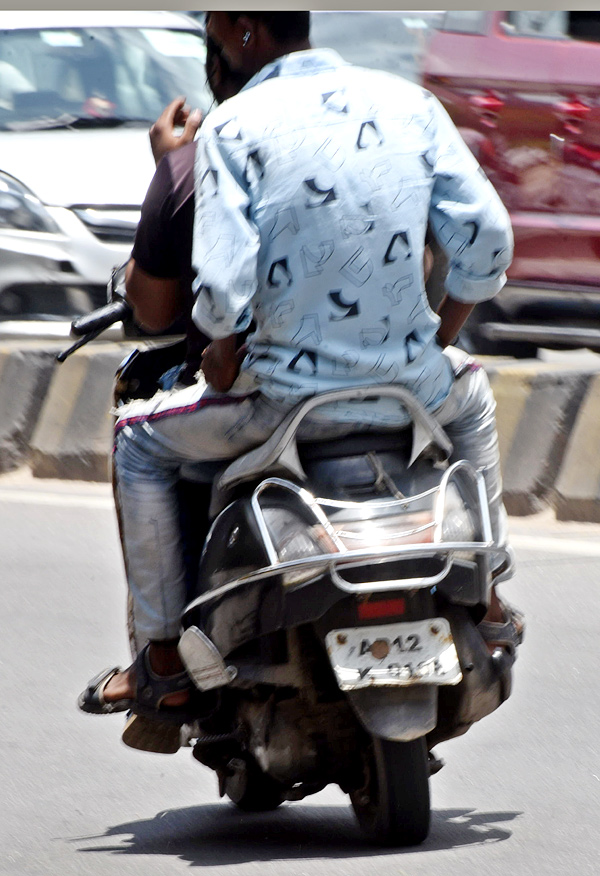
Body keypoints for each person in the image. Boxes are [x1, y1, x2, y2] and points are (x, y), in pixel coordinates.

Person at [79, 12, 522, 753]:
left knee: (138, 443)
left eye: (218, 23)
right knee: (471, 392)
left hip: (281, 408)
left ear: (243, 32)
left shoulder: (234, 126)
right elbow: (488, 243)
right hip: (412, 392)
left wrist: (222, 357)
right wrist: (439, 337)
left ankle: (161, 656)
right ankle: (491, 595)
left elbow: (218, 293)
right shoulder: (409, 105)